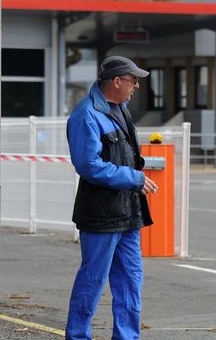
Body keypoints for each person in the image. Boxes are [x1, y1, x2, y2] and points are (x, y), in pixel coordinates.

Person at [65, 55, 159, 340]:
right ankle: (77, 336)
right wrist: (134, 178)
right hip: (100, 215)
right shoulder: (86, 115)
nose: (136, 87)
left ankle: (127, 337)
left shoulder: (120, 109)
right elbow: (88, 164)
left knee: (131, 281)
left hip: (128, 213)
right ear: (116, 81)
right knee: (92, 281)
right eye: (133, 81)